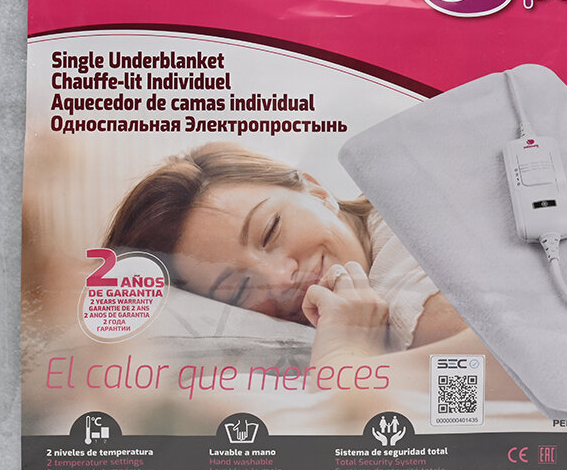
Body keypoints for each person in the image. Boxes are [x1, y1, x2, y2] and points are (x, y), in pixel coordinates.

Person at [104, 142, 472, 363]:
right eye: (240, 289)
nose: (281, 279)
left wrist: (342, 358)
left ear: (316, 191)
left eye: (270, 231)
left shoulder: (408, 229)